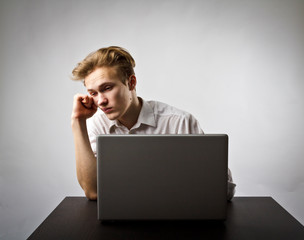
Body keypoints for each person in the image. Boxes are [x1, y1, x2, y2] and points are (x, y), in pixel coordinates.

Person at [71, 46, 236, 201]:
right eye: (93, 93)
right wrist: (77, 121)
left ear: (131, 83)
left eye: (107, 88)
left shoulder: (179, 122)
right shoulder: (96, 124)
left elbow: (224, 191)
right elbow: (93, 192)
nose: (101, 101)